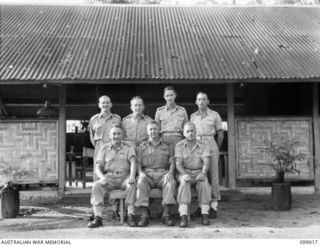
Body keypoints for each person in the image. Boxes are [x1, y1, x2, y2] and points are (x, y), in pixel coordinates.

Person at [87, 125, 137, 228]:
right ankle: (98, 217)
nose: (116, 136)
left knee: (132, 184)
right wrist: (102, 177)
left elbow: (133, 163)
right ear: (110, 135)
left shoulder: (128, 147)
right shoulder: (104, 148)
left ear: (122, 135)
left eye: (118, 133)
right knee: (96, 185)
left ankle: (130, 215)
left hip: (125, 177)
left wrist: (132, 176)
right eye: (114, 134)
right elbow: (98, 167)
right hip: (110, 177)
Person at [135, 121, 176, 227]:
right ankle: (144, 215)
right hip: (147, 174)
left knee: (170, 181)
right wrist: (140, 173)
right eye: (151, 129)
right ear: (147, 132)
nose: (153, 131)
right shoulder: (142, 146)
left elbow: (172, 161)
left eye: (155, 129)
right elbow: (138, 162)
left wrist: (170, 172)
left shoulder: (167, 146)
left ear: (159, 130)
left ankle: (166, 215)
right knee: (140, 182)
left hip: (163, 173)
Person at [190, 92, 224, 219]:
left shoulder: (214, 115)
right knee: (201, 175)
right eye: (199, 99)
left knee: (213, 176)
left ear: (208, 101)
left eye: (204, 99)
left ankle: (214, 206)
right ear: (196, 102)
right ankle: (202, 206)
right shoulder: (193, 117)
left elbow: (220, 134)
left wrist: (216, 148)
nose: (201, 102)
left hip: (210, 143)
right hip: (197, 145)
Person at [175, 122, 212, 227]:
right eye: (188, 131)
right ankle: (183, 215)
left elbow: (206, 161)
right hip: (184, 172)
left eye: (192, 131)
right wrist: (183, 174)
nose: (190, 133)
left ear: (196, 132)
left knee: (204, 182)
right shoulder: (179, 145)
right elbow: (178, 163)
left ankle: (204, 213)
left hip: (198, 172)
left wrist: (203, 172)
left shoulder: (203, 145)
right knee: (184, 182)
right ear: (183, 133)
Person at [89, 95, 121, 168]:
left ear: (111, 104)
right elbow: (92, 137)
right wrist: (99, 147)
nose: (105, 105)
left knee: (113, 172)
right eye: (103, 103)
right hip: (99, 150)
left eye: (107, 102)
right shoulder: (94, 119)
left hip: (114, 150)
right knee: (98, 173)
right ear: (99, 105)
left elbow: (121, 135)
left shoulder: (117, 119)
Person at [155, 86, 188, 154]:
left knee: (178, 161)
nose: (169, 98)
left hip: (178, 139)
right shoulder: (159, 111)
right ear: (164, 97)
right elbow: (156, 129)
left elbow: (186, 127)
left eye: (171, 95)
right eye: (167, 96)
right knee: (164, 162)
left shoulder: (182, 111)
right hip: (164, 140)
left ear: (175, 96)